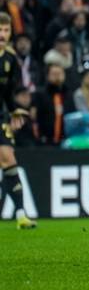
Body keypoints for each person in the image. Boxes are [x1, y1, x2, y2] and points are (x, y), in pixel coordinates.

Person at [0, 14, 36, 228]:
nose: (2, 34)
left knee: (9, 159)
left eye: (6, 30)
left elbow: (7, 94)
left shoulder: (11, 59)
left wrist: (14, 111)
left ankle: (21, 215)